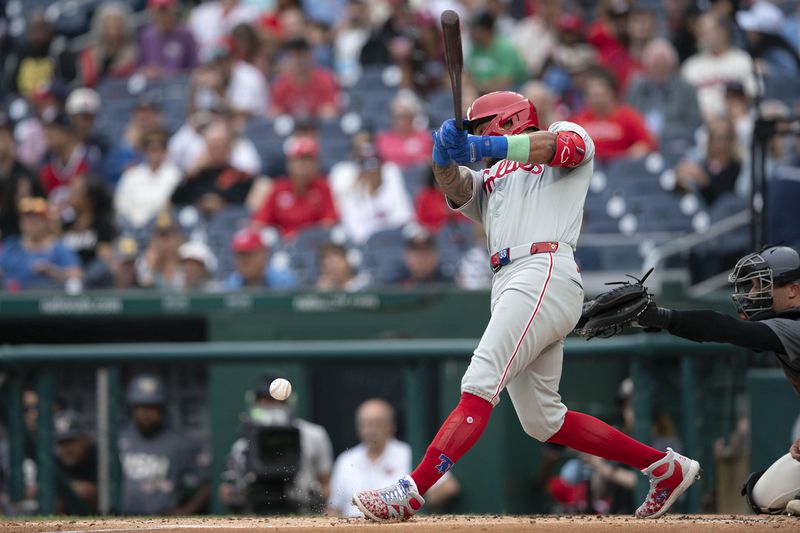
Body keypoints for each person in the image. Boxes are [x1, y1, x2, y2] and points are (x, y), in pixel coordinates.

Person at [353, 90, 700, 521]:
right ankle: (665, 468)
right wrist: (442, 156)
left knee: (480, 381)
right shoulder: (495, 177)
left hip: (543, 268)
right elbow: (458, 187)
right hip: (509, 279)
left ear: (510, 120)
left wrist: (485, 145)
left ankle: (411, 491)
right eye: (476, 135)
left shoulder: (563, 134)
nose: (479, 142)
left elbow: (560, 149)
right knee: (542, 420)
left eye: (484, 129)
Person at [629, 245, 800, 516]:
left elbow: (723, 328)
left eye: (762, 286)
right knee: (761, 496)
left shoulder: (793, 327)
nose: (754, 294)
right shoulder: (786, 324)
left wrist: (662, 317)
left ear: (793, 290)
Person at [219, 374, 333, 514]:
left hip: (302, 514)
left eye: (277, 400)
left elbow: (326, 484)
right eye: (265, 400)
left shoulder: (314, 435)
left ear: (289, 401)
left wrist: (316, 498)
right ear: (255, 402)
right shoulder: (242, 445)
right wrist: (231, 494)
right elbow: (232, 493)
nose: (271, 405)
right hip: (256, 516)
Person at [328, 399, 460, 517]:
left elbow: (448, 486)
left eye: (378, 424)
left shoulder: (409, 454)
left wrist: (415, 506)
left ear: (391, 426)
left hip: (397, 526)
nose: (371, 430)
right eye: (366, 424)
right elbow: (334, 507)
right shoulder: (345, 460)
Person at [118, 374, 211, 515]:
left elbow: (209, 480)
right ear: (132, 408)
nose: (145, 413)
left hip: (160, 521)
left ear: (163, 409)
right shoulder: (119, 438)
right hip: (121, 519)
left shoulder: (180, 442)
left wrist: (186, 511)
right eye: (140, 407)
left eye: (151, 407)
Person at [252, 136, 337, 239]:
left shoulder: (323, 187)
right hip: (282, 246)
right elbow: (260, 223)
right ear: (289, 163)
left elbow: (328, 224)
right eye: (300, 160)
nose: (304, 166)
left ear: (316, 164)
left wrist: (299, 238)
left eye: (309, 161)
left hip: (312, 246)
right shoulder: (279, 188)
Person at [330, 144, 413, 245]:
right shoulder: (353, 195)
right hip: (367, 246)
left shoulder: (391, 187)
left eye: (376, 169)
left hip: (393, 240)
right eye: (369, 170)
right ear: (362, 172)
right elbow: (355, 231)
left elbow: (403, 216)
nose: (373, 174)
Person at [569, 68, 656, 161]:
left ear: (612, 94)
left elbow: (647, 142)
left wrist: (635, 152)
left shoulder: (628, 116)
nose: (597, 100)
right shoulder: (577, 121)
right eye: (593, 96)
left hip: (621, 169)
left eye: (601, 95)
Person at [681, 12, 756, 119]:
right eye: (699, 32)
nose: (701, 36)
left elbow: (752, 93)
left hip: (738, 122)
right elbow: (684, 103)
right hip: (699, 123)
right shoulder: (691, 66)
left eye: (706, 32)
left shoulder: (742, 60)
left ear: (723, 32)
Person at [170, 120, 253, 216]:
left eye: (219, 144)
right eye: (211, 144)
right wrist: (191, 174)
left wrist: (222, 203)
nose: (214, 149)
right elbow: (175, 200)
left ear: (229, 147)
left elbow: (243, 204)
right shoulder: (196, 175)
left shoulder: (239, 176)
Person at [0, 197, 82, 292]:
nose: (30, 223)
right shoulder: (12, 245)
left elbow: (77, 274)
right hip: (14, 300)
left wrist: (51, 270)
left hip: (48, 299)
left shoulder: (59, 247)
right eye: (26, 220)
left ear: (46, 222)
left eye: (35, 220)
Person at [625, 39, 701, 137]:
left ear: (671, 66)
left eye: (663, 65)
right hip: (641, 141)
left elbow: (692, 123)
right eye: (655, 65)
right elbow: (627, 119)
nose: (659, 69)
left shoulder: (686, 89)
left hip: (675, 141)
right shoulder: (636, 88)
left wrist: (663, 134)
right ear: (646, 66)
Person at [116, 127, 182, 229]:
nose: (154, 152)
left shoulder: (175, 175)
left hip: (161, 229)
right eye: (150, 148)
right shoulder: (131, 176)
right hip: (132, 227)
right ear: (145, 150)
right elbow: (121, 206)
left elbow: (173, 206)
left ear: (165, 150)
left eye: (158, 147)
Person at [674, 117, 741, 206]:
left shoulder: (736, 167)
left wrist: (702, 179)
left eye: (724, 138)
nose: (720, 144)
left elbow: (722, 193)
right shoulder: (703, 163)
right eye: (716, 138)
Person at [269, 37, 340, 120]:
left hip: (316, 128)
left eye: (302, 55)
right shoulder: (282, 84)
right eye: (295, 56)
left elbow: (330, 111)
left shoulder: (325, 80)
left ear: (310, 56)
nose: (299, 60)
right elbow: (274, 112)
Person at [0, 118, 44, 238]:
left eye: (3, 135)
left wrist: (24, 204)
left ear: (11, 138)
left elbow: (42, 210)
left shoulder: (25, 176)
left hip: (18, 239)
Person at [60, 175, 116, 268]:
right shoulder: (65, 225)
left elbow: (105, 257)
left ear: (89, 200)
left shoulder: (103, 226)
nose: (70, 196)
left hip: (92, 278)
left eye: (75, 192)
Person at [465, 10, 527, 94]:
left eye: (473, 29)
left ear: (485, 30)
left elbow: (505, 82)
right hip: (480, 93)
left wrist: (477, 88)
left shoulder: (504, 47)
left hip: (510, 93)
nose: (470, 33)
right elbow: (468, 75)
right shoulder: (475, 47)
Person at [78, 1, 137, 87]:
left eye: (117, 21)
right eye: (109, 22)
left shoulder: (134, 50)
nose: (114, 26)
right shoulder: (90, 52)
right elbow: (88, 80)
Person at [137, 0, 198, 77]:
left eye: (166, 9)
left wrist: (167, 74)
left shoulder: (186, 34)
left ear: (174, 9)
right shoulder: (146, 36)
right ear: (152, 11)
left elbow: (194, 68)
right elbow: (140, 67)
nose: (163, 15)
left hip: (180, 84)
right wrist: (147, 72)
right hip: (152, 85)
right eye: (160, 10)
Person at [53, 410, 98, 515]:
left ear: (85, 439)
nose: (67, 449)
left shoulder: (99, 457)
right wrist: (69, 489)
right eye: (61, 443)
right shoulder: (54, 461)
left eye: (71, 441)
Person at [374, 92, 433, 170]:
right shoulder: (382, 138)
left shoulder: (425, 138)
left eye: (402, 116)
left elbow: (425, 162)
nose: (398, 121)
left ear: (412, 117)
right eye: (395, 116)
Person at [224, 227, 297, 290]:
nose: (244, 261)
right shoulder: (232, 284)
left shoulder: (283, 282)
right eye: (240, 255)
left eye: (249, 255)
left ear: (263, 254)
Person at [136, 211, 184, 289]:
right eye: (161, 237)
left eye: (169, 237)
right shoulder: (145, 261)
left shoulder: (186, 259)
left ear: (178, 239)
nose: (164, 243)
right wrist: (152, 269)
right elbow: (143, 293)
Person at [64, 88, 109, 167]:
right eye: (81, 117)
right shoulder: (60, 147)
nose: (85, 124)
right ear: (71, 118)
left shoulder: (103, 147)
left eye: (90, 118)